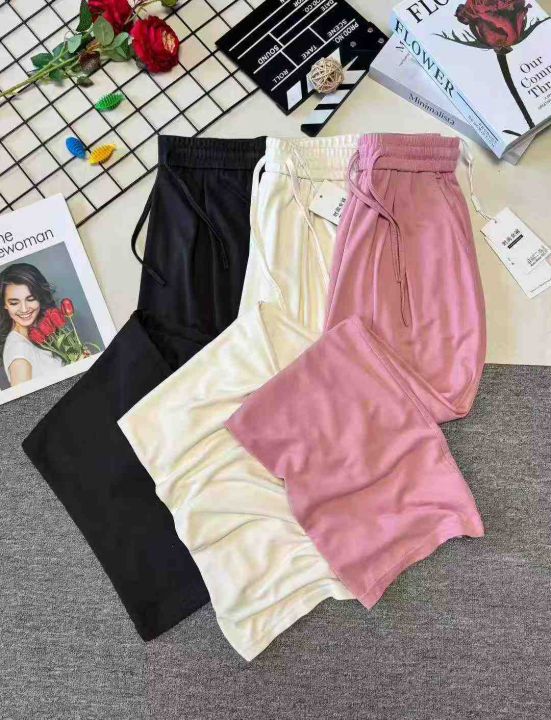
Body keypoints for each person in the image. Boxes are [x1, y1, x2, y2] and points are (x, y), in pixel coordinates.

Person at [0, 263, 63, 387]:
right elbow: (26, 400)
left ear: (40, 297)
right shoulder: (19, 350)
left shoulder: (36, 335)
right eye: (14, 303)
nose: (24, 309)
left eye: (30, 299)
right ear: (4, 305)